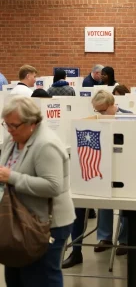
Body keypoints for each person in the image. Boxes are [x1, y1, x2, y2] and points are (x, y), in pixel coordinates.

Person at [0, 96, 75, 287]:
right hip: (19, 221)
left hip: (46, 224)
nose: (9, 130)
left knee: (41, 278)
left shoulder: (46, 144)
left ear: (32, 123)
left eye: (13, 125)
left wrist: (13, 178)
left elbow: (53, 186)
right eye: (6, 124)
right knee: (15, 277)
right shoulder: (12, 139)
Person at [62, 90, 130, 269]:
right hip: (99, 170)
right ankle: (101, 239)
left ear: (112, 106)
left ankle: (125, 240)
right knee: (99, 206)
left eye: (102, 110)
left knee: (126, 207)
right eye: (96, 110)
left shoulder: (130, 118)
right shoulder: (93, 120)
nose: (98, 114)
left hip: (124, 170)